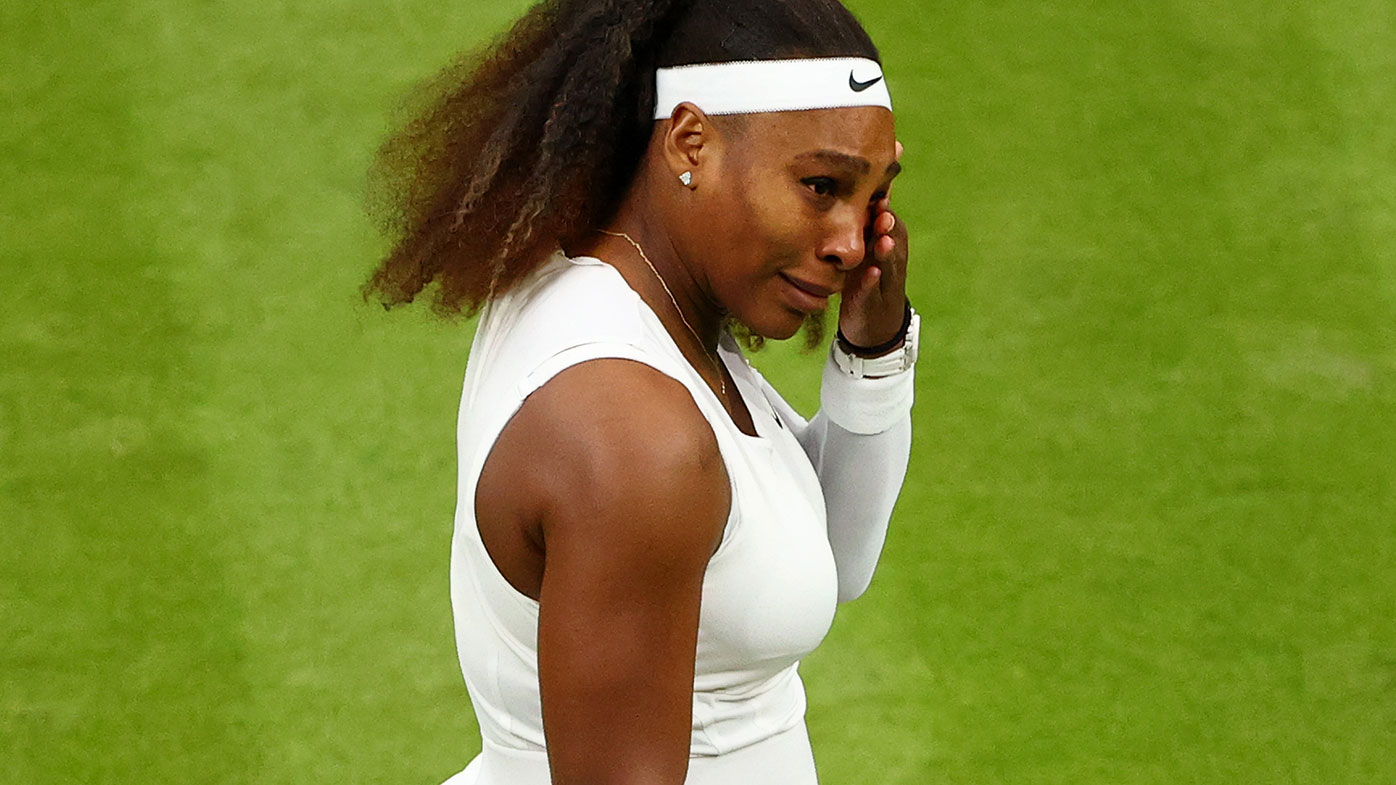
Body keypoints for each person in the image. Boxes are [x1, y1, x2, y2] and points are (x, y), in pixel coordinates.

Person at [365, 0, 918, 782]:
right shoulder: (635, 439)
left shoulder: (626, 296)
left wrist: (877, 345)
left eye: (872, 198)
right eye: (821, 185)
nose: (850, 242)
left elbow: (836, 555)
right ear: (691, 141)